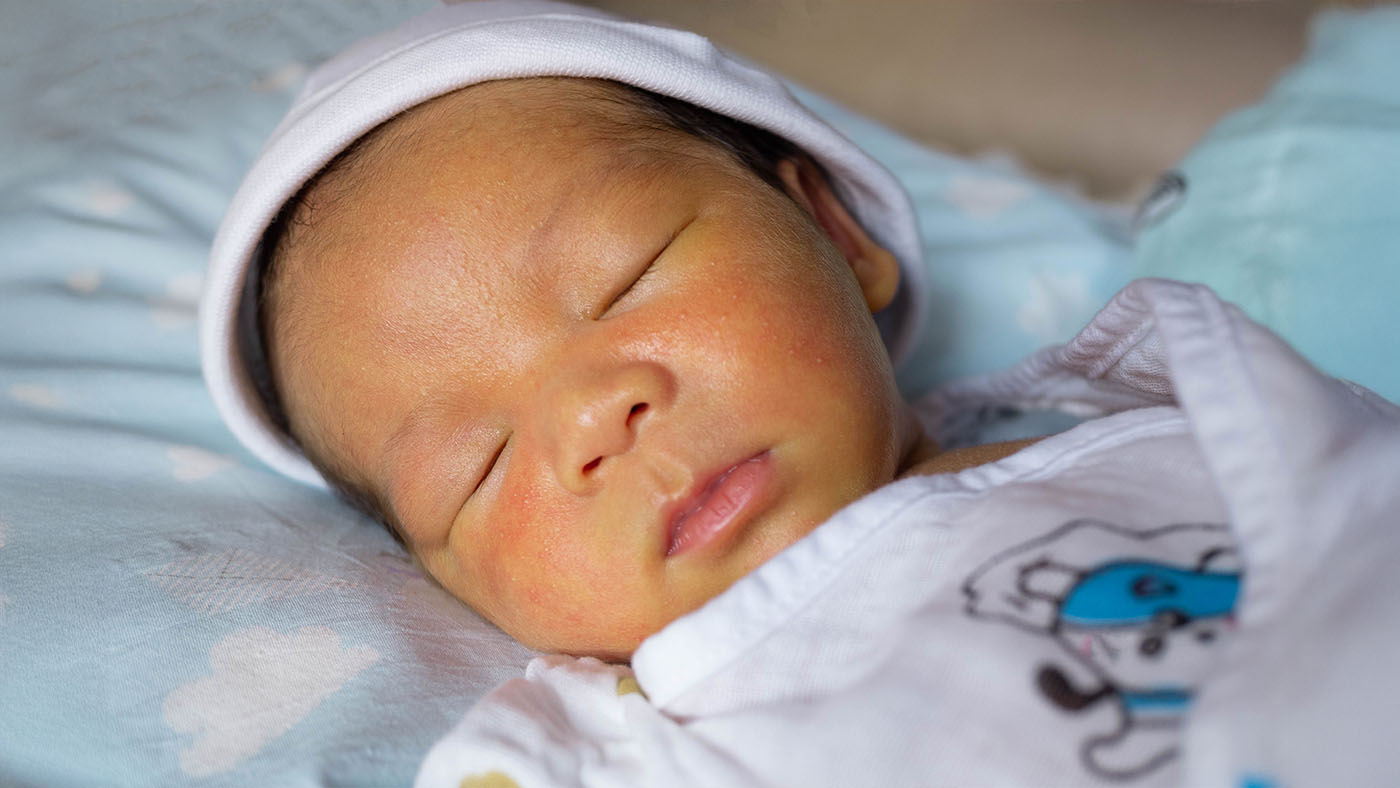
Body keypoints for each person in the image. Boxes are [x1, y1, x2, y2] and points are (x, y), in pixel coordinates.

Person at [199, 2, 1400, 785]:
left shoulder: (1188, 411)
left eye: (624, 278)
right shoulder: (622, 743)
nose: (590, 416)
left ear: (835, 232)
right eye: (475, 465)